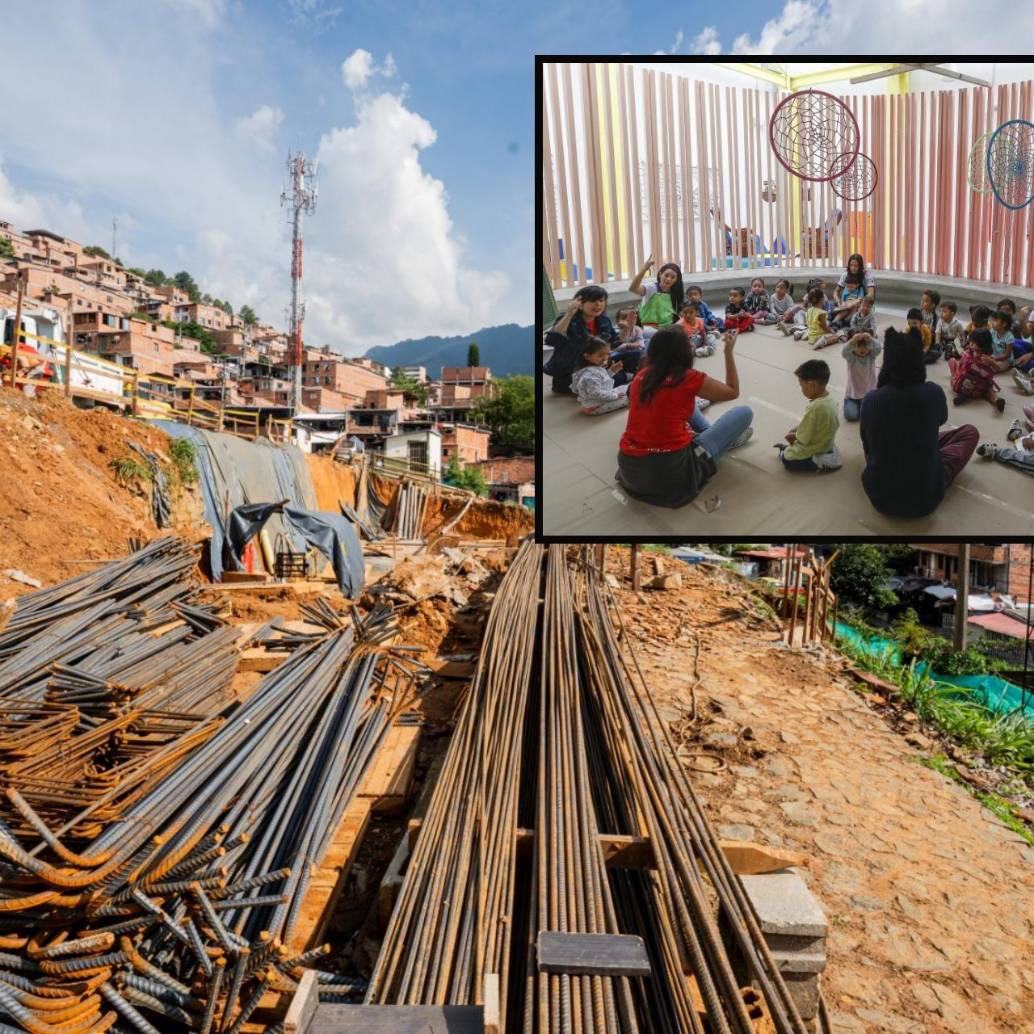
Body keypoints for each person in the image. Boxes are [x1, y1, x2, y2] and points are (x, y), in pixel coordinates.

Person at [615, 326, 754, 508]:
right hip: (671, 472)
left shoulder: (642, 376)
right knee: (744, 412)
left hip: (630, 468)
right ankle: (717, 439)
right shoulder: (688, 378)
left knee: (677, 403)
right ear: (684, 351)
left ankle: (710, 435)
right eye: (688, 341)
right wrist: (728, 351)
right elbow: (732, 391)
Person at [860, 326, 979, 518]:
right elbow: (942, 419)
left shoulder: (871, 400)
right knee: (969, 432)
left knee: (884, 440)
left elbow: (867, 445)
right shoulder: (933, 392)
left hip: (879, 495)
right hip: (926, 496)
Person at [543, 285, 619, 395]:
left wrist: (627, 330)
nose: (598, 304)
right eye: (593, 301)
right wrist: (569, 313)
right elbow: (552, 340)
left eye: (601, 300)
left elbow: (615, 341)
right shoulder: (569, 320)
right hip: (571, 370)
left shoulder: (604, 320)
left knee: (634, 356)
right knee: (605, 384)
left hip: (597, 366)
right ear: (580, 303)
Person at [775, 359, 842, 471]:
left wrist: (792, 438)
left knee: (787, 458)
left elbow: (804, 438)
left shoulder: (814, 408)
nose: (801, 389)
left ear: (812, 385)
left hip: (818, 446)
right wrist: (799, 429)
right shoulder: (830, 399)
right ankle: (829, 452)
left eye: (802, 386)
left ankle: (820, 461)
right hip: (827, 441)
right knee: (794, 446)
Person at [629, 256, 684, 341]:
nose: (669, 279)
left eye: (673, 277)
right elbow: (633, 288)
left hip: (668, 327)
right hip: (649, 326)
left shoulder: (675, 292)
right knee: (662, 338)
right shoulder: (652, 287)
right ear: (660, 274)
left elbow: (678, 315)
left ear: (676, 280)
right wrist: (644, 269)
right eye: (666, 275)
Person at [571, 338, 630, 415]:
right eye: (600, 355)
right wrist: (615, 396)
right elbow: (596, 393)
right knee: (628, 397)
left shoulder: (591, 369)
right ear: (587, 356)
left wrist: (612, 371)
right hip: (596, 406)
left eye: (607, 354)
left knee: (625, 388)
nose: (605, 358)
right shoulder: (590, 376)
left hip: (600, 397)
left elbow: (602, 379)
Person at [949, 329, 1003, 411]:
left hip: (976, 383)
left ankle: (996, 400)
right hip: (977, 383)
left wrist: (991, 362)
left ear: (983, 344)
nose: (971, 343)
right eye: (971, 341)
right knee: (986, 391)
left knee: (952, 362)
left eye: (974, 343)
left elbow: (998, 368)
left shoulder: (987, 358)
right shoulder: (971, 352)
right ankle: (995, 399)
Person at [841, 326, 881, 422]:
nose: (863, 349)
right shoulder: (851, 358)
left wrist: (871, 339)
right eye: (858, 345)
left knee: (877, 411)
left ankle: (864, 407)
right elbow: (844, 352)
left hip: (870, 393)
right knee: (851, 415)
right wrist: (852, 341)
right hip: (853, 395)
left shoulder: (871, 356)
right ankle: (849, 402)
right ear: (852, 347)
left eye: (866, 345)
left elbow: (878, 348)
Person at [609, 306, 646, 383]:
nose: (629, 320)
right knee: (637, 353)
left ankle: (628, 374)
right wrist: (627, 329)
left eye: (633, 318)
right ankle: (628, 375)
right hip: (616, 357)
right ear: (617, 320)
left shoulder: (637, 329)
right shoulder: (615, 330)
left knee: (640, 354)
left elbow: (641, 344)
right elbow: (616, 347)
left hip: (630, 358)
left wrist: (634, 345)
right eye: (624, 318)